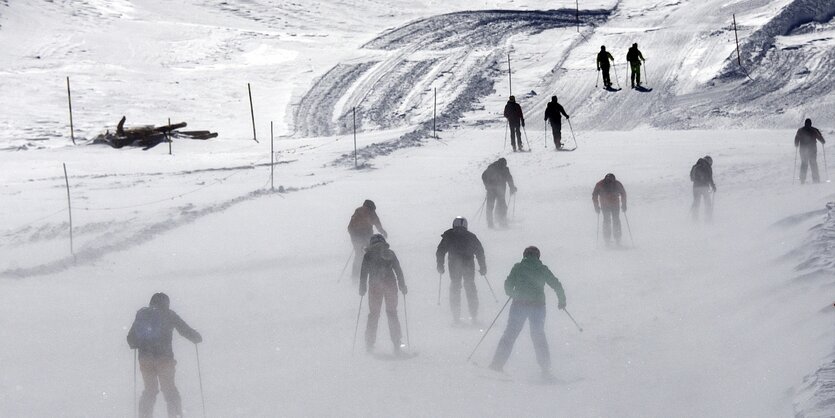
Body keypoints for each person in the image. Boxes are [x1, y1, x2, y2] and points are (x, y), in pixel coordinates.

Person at [489, 246, 566, 379]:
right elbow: (556, 284)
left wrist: (513, 293)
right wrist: (561, 300)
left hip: (519, 304)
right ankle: (545, 369)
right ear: (538, 256)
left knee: (510, 334)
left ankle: (497, 364)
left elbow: (507, 284)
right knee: (538, 336)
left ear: (524, 255)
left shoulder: (518, 267)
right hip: (538, 306)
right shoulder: (542, 269)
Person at [127, 293, 202, 418]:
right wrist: (196, 337)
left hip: (145, 360)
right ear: (166, 303)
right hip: (164, 358)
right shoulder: (169, 314)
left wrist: (140, 343)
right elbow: (184, 329)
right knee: (170, 391)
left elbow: (131, 339)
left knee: (149, 391)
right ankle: (175, 415)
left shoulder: (143, 315)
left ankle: (144, 416)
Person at [359, 234, 407, 355]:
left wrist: (362, 287)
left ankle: (369, 344)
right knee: (392, 313)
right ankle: (397, 344)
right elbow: (398, 270)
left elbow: (363, 273)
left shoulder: (368, 255)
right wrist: (402, 285)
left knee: (374, 315)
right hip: (390, 284)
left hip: (375, 286)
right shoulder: (390, 253)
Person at [436, 216, 487, 325]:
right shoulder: (470, 236)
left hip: (454, 264)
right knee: (470, 288)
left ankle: (456, 317)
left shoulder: (449, 236)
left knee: (455, 287)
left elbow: (440, 251)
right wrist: (483, 266)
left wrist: (440, 265)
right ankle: (473, 316)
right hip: (468, 264)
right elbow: (479, 252)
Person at [347, 200, 388, 279]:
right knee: (371, 254)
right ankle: (373, 274)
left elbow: (350, 227)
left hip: (356, 237)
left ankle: (355, 276)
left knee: (359, 255)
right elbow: (377, 223)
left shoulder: (358, 211)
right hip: (365, 237)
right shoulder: (370, 211)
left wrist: (355, 238)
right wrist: (382, 232)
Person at [592, 173, 627, 246]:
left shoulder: (617, 184)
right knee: (607, 221)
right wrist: (596, 206)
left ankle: (617, 239)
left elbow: (623, 193)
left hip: (615, 205)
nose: (610, 183)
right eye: (609, 181)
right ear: (606, 180)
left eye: (612, 181)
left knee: (615, 220)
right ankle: (607, 239)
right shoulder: (600, 184)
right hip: (605, 206)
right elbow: (594, 195)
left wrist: (624, 204)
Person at [481, 158, 517, 229]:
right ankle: (492, 223)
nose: (504, 166)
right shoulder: (492, 168)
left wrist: (512, 187)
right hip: (492, 190)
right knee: (492, 206)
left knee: (500, 206)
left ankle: (500, 221)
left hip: (498, 191)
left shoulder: (504, 169)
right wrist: (487, 186)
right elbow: (483, 176)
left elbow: (509, 178)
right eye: (503, 165)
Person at [795, 119, 826, 184]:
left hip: (803, 149)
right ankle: (816, 179)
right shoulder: (814, 130)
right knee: (813, 163)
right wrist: (822, 141)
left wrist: (796, 143)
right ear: (811, 123)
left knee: (804, 163)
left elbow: (797, 137)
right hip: (812, 149)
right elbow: (819, 137)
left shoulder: (801, 130)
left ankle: (802, 179)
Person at [690, 156, 717, 221]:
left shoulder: (695, 166)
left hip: (695, 187)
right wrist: (713, 186)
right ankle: (708, 218)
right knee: (707, 203)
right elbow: (710, 178)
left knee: (696, 203)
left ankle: (695, 219)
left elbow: (691, 178)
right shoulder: (707, 166)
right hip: (704, 187)